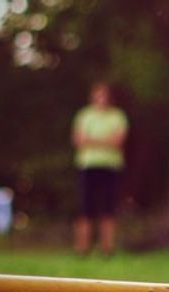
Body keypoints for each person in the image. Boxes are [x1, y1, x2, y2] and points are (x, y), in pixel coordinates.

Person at [71, 82, 128, 255]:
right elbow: (78, 141)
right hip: (87, 166)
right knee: (85, 208)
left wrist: (92, 141)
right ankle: (82, 248)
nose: (101, 99)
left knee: (108, 209)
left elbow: (117, 142)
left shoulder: (118, 116)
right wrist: (105, 141)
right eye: (98, 95)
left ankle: (107, 249)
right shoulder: (84, 115)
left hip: (110, 167)